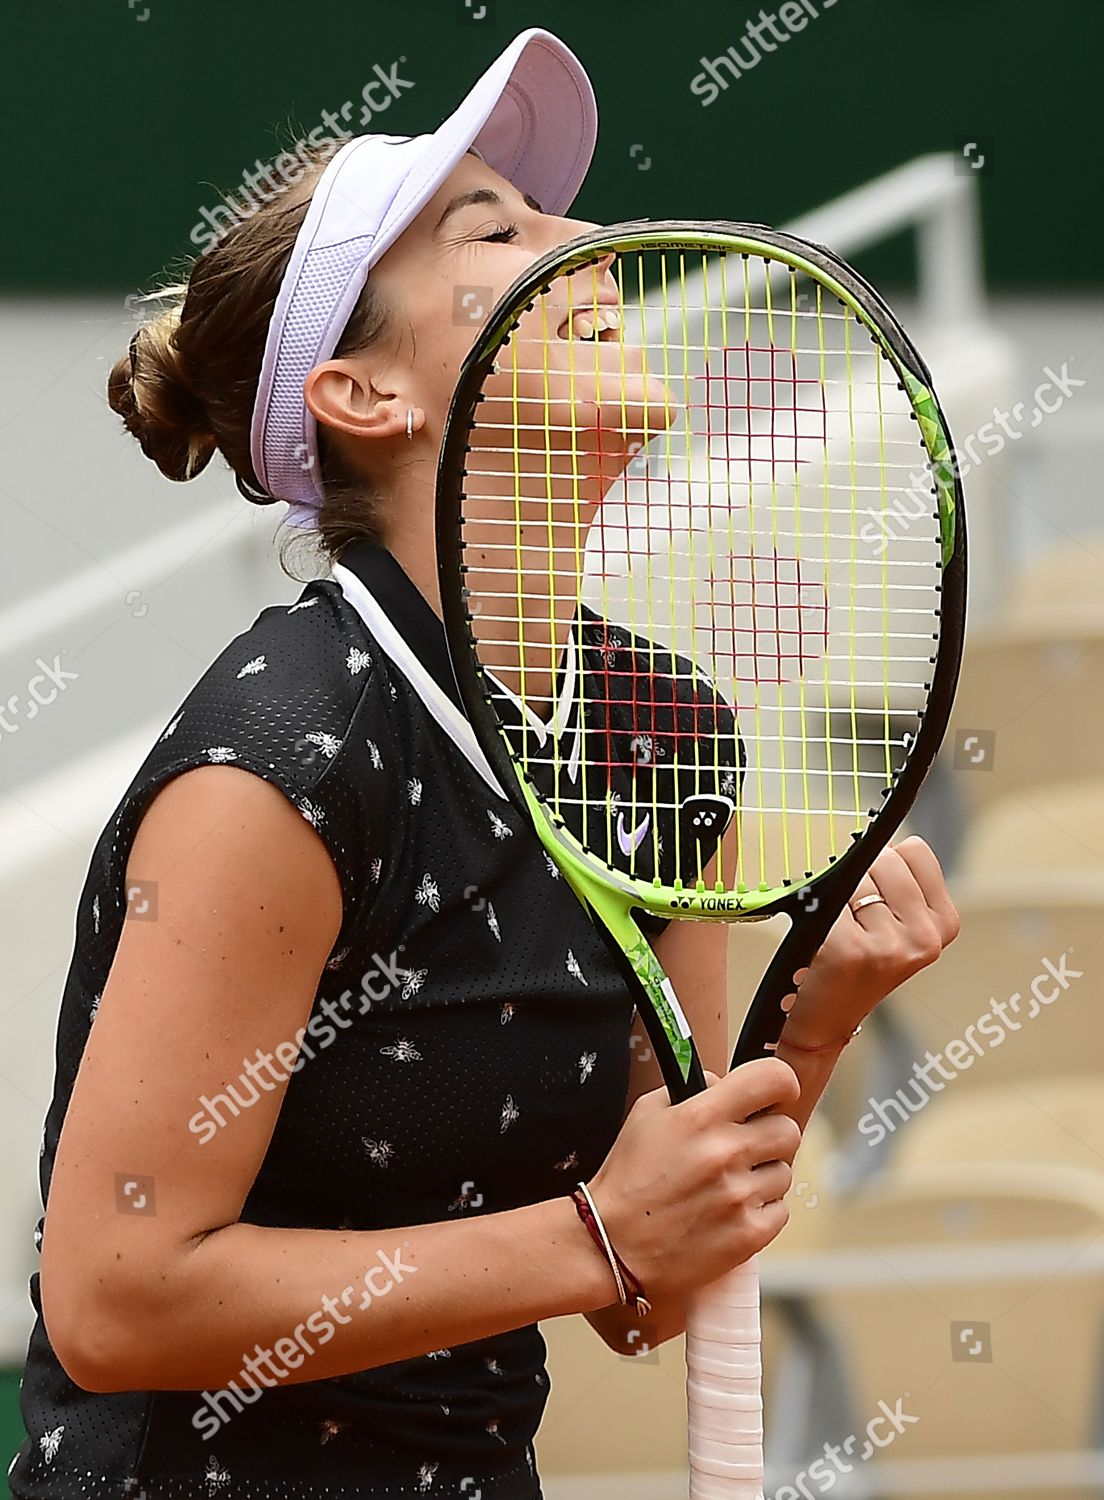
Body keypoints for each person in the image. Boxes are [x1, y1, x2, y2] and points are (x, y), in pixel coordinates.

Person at [8, 28, 959, 1500]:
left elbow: (646, 1291)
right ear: (364, 395)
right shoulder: (279, 760)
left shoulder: (667, 731)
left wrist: (814, 1022)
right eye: (493, 228)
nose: (582, 239)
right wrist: (591, 1235)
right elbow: (116, 1297)